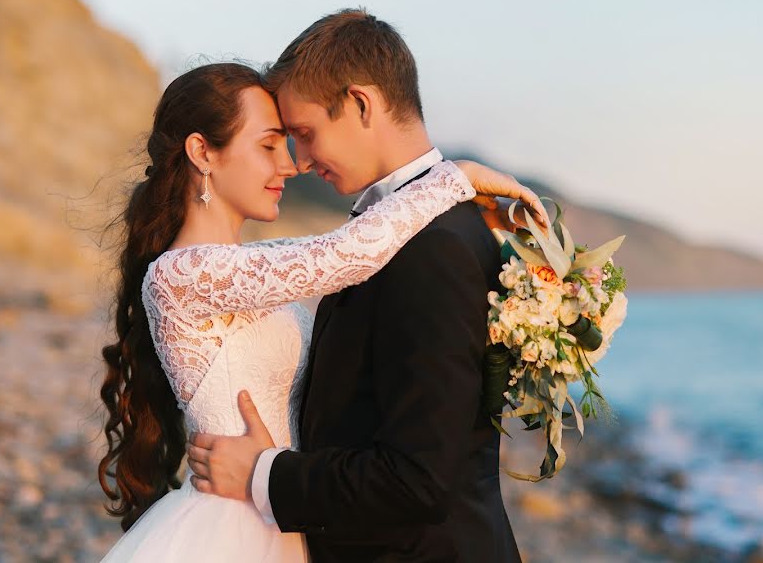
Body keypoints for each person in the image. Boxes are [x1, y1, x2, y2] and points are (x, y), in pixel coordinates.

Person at [98, 58, 538, 561]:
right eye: (269, 146)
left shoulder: (256, 264)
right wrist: (455, 176)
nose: (290, 164)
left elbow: (337, 250)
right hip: (233, 525)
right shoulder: (181, 275)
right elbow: (345, 254)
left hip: (285, 513)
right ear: (203, 152)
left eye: (290, 142)